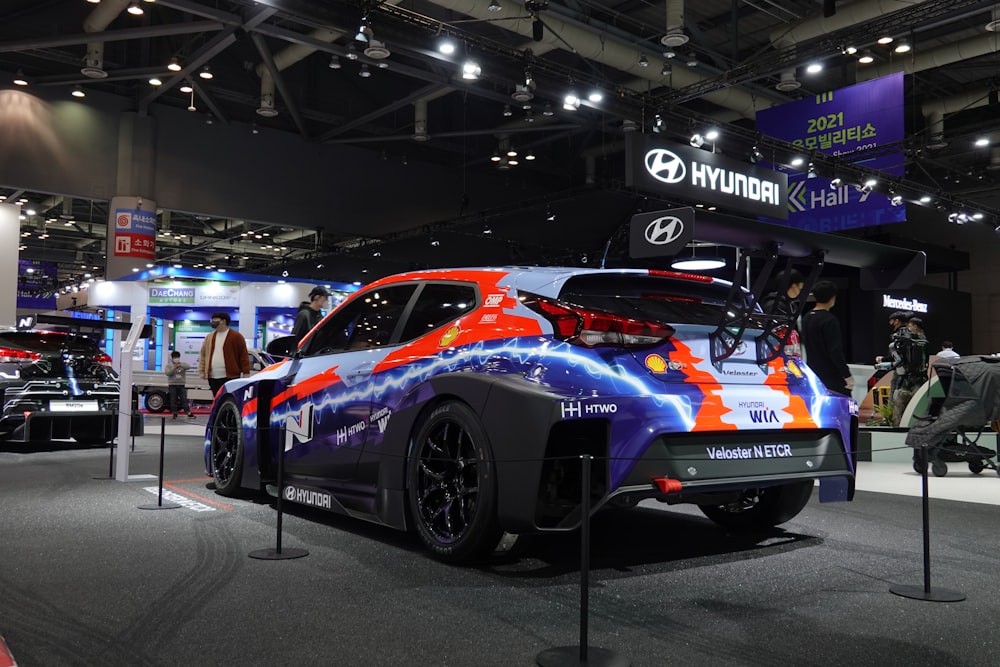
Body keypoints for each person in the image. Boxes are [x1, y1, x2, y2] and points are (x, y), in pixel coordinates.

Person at [801, 281, 853, 396]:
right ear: (832, 297)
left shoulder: (806, 317)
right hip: (831, 376)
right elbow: (835, 350)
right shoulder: (829, 320)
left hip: (813, 372)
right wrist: (847, 374)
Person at [198, 312, 250, 396]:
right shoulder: (209, 337)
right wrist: (202, 370)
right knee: (217, 398)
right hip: (213, 376)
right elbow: (203, 354)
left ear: (223, 321)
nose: (213, 322)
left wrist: (245, 372)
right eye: (212, 320)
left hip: (231, 376)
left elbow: (243, 355)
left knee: (229, 397)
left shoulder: (236, 336)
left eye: (215, 320)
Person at [164, 350, 197, 419]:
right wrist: (174, 368)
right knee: (173, 399)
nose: (176, 358)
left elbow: (188, 366)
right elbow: (167, 373)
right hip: (172, 384)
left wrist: (180, 365)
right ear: (172, 358)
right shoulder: (169, 365)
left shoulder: (182, 364)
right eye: (175, 357)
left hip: (181, 384)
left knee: (184, 399)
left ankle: (188, 412)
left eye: (178, 357)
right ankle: (174, 413)